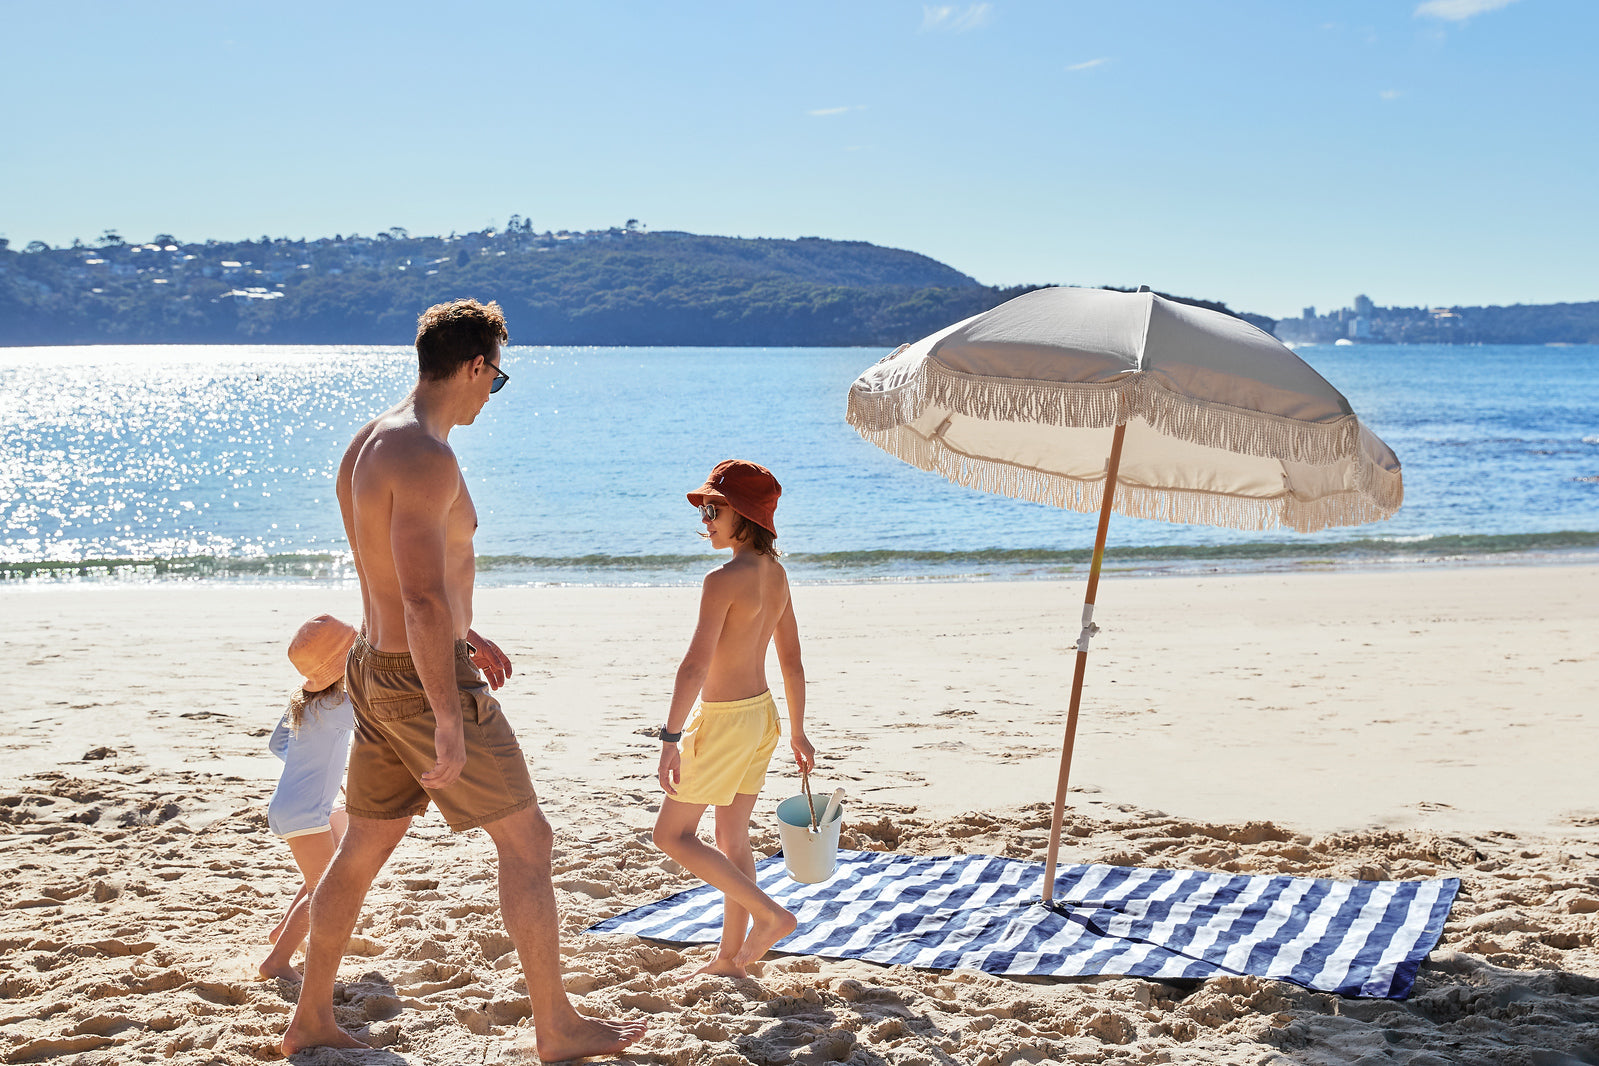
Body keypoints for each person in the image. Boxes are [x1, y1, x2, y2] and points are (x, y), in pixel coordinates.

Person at [282, 299, 646, 1058]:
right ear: (475, 366)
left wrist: (462, 628)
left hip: (376, 668)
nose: (492, 393)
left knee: (362, 850)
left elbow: (402, 578)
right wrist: (448, 714)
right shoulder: (424, 453)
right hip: (419, 679)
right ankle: (557, 1027)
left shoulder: (368, 441)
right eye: (495, 378)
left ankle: (311, 1017)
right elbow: (415, 593)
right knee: (528, 841)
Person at [652, 459, 815, 980]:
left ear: (744, 514)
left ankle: (771, 916)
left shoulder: (721, 580)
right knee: (732, 840)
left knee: (671, 836)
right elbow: (791, 662)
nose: (704, 518)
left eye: (714, 508)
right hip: (761, 716)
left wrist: (671, 737)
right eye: (703, 508)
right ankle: (729, 959)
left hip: (723, 721)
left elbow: (695, 665)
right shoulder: (777, 575)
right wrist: (797, 730)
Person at [259, 613, 357, 981]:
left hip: (289, 805)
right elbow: (380, 723)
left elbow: (277, 744)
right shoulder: (340, 707)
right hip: (305, 813)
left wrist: (309, 766)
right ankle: (277, 961)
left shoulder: (303, 702)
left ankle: (279, 934)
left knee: (326, 867)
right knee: (326, 890)